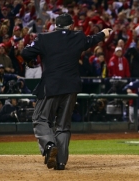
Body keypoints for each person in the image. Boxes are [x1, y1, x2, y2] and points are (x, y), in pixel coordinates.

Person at [21, 13, 112, 170]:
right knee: (63, 126)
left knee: (40, 119)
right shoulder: (78, 37)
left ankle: (49, 146)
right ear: (71, 26)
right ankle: (61, 162)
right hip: (71, 88)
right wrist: (103, 33)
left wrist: (32, 60)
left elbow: (25, 53)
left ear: (55, 25)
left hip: (51, 86)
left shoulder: (44, 38)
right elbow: (92, 40)